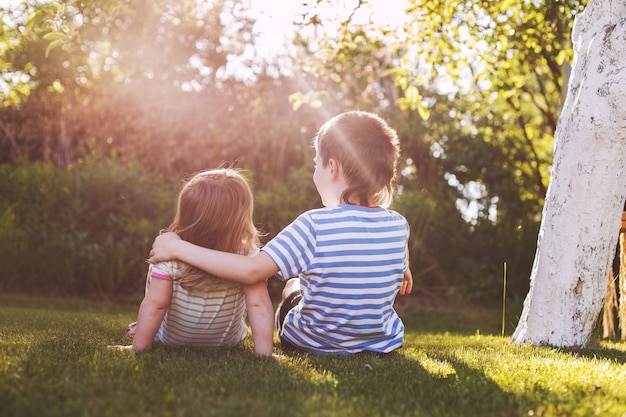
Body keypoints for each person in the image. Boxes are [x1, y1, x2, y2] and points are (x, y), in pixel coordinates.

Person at [150, 111, 413, 355]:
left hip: (313, 342)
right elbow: (394, 257)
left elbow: (251, 270)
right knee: (300, 283)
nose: (315, 172)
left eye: (316, 165)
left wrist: (178, 248)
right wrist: (404, 266)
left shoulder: (314, 224)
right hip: (382, 343)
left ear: (332, 168)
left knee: (292, 285)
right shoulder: (399, 225)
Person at [110, 169, 274, 356]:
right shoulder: (248, 255)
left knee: (157, 285)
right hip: (227, 342)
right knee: (250, 296)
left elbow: (156, 305)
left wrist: (137, 349)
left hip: (172, 341)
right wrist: (265, 356)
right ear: (241, 217)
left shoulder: (168, 252)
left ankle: (142, 328)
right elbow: (258, 305)